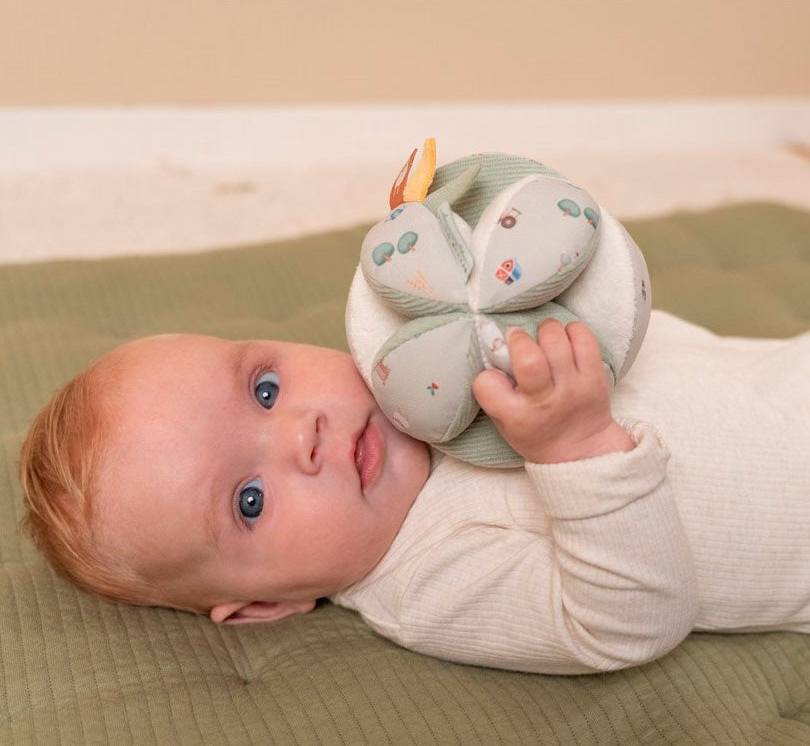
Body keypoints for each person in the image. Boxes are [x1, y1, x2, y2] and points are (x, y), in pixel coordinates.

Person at [18, 310, 810, 675]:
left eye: (264, 388)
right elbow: (627, 626)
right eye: (248, 501)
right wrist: (575, 450)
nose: (303, 434)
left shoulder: (421, 355)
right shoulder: (428, 581)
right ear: (266, 605)